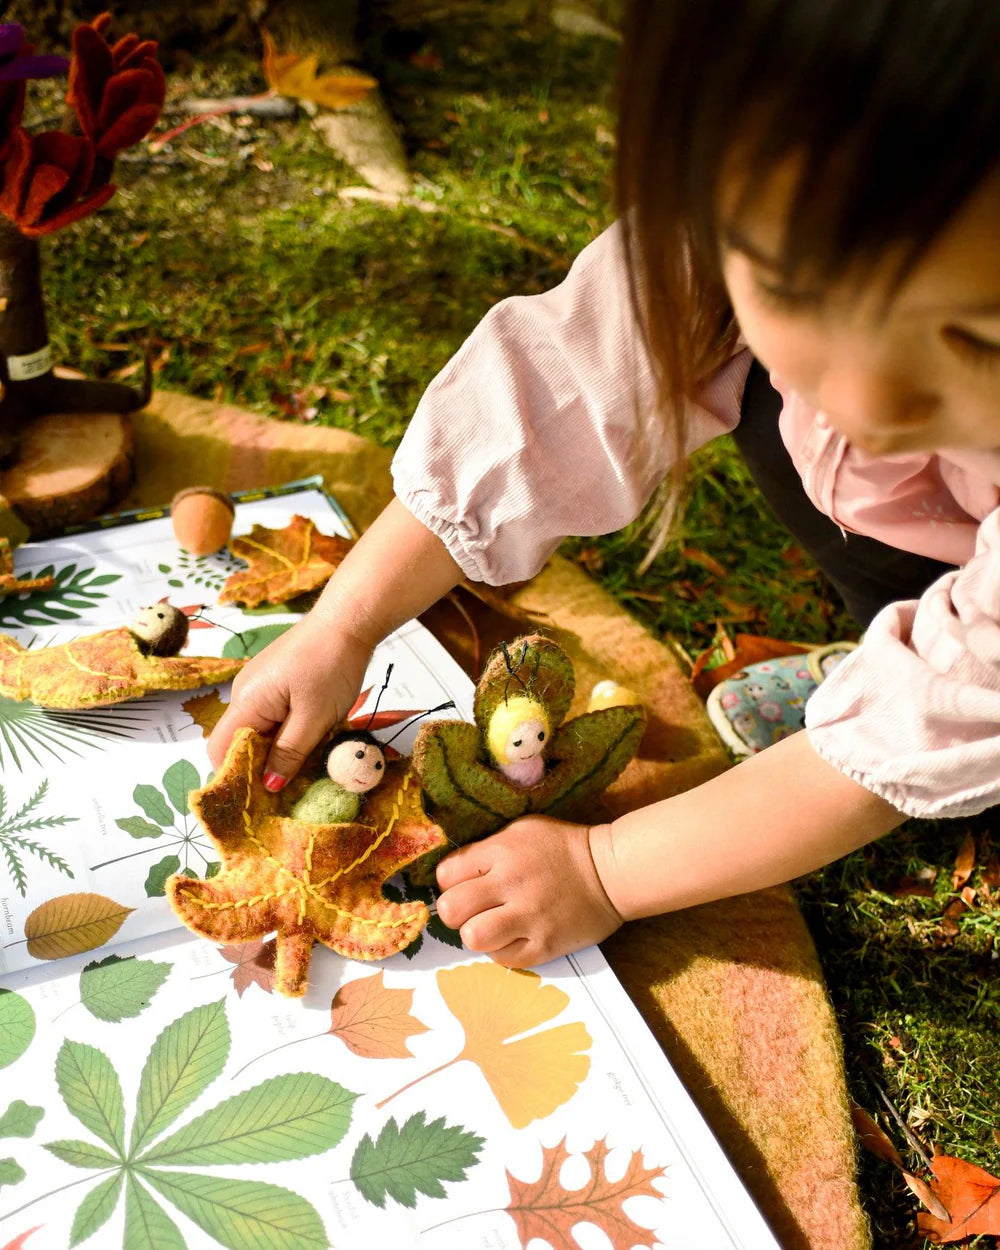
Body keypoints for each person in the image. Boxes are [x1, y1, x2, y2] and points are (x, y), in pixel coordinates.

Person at [209, 0, 1000, 969]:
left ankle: (940, 660)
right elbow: (551, 399)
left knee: (955, 707)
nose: (869, 396)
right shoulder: (730, 218)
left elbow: (919, 727)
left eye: (980, 337)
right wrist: (343, 625)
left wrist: (608, 867)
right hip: (945, 520)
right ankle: (913, 621)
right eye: (798, 290)